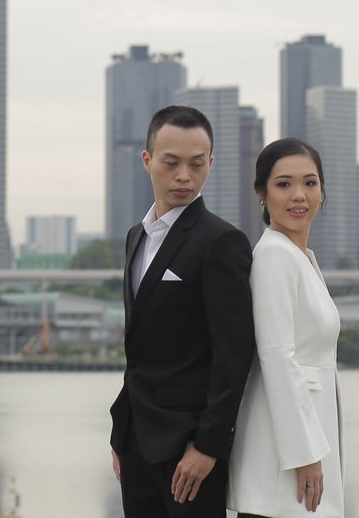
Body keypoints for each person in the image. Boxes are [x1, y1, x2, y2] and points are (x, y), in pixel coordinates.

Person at [109, 104, 256, 517]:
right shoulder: (135, 237)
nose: (184, 176)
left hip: (190, 450)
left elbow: (234, 355)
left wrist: (208, 446)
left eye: (196, 164)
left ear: (211, 163)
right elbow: (140, 347)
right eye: (171, 163)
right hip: (136, 441)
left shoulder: (222, 242)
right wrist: (121, 433)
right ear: (147, 160)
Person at [229, 138, 345, 518]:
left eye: (310, 183)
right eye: (284, 184)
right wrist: (305, 454)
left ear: (322, 191)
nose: (299, 195)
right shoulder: (275, 256)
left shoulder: (301, 257)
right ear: (262, 194)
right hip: (285, 465)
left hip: (304, 450)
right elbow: (277, 357)